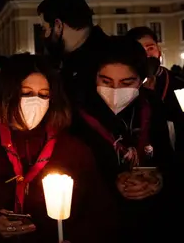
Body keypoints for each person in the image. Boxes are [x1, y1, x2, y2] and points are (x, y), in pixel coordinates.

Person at [0, 53, 119, 243]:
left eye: (43, 95)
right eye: (26, 93)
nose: (35, 101)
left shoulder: (74, 151)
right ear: (7, 94)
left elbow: (99, 212)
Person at [71, 36, 178, 243]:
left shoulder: (157, 109)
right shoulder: (78, 117)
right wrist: (112, 183)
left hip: (155, 224)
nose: (115, 91)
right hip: (100, 226)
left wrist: (159, 179)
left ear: (141, 80)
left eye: (126, 82)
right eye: (106, 81)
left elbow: (173, 158)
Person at [37, 0, 109, 104]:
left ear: (58, 25)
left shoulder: (101, 62)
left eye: (45, 28)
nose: (44, 36)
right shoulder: (73, 60)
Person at [126, 26, 184, 160]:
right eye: (139, 50)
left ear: (159, 51)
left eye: (150, 48)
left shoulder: (179, 86)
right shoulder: (125, 86)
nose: (146, 54)